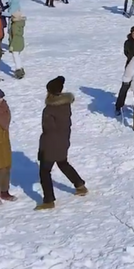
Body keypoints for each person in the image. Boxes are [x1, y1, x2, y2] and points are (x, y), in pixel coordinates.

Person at [35, 76, 88, 210]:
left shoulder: (49, 109)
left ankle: (48, 200)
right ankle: (80, 185)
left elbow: (48, 129)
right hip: (63, 141)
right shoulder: (65, 105)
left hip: (50, 144)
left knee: (44, 172)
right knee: (63, 163)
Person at [116, 25, 134, 115]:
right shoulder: (127, 42)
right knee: (124, 87)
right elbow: (126, 53)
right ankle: (118, 106)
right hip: (130, 68)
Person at [7, 0, 26, 79]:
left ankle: (19, 71)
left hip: (16, 42)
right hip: (20, 41)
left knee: (15, 56)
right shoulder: (20, 23)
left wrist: (12, 45)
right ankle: (21, 69)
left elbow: (14, 35)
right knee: (17, 55)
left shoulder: (15, 25)